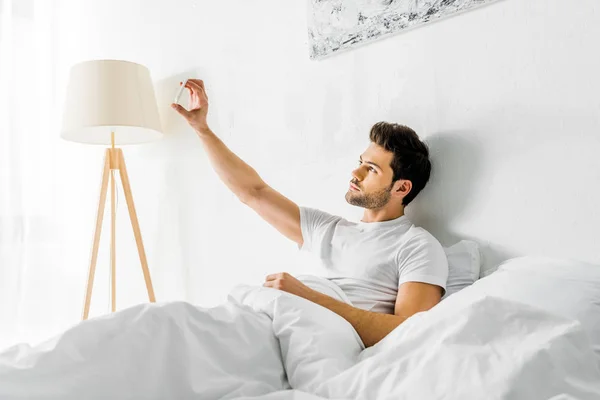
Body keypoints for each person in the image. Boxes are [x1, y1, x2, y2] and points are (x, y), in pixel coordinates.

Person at [171, 79, 448, 348]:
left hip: (314, 334)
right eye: (360, 162)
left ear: (401, 188)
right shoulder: (327, 228)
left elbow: (411, 331)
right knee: (172, 326)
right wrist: (202, 129)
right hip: (268, 322)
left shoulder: (417, 245)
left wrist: (307, 296)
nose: (356, 172)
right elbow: (252, 192)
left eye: (371, 169)